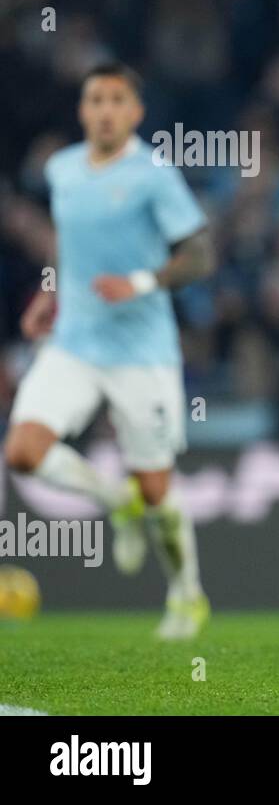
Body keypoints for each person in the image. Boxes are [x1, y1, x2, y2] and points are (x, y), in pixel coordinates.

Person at [4, 62, 215, 640]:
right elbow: (68, 248)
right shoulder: (63, 169)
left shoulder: (154, 174)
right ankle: (111, 498)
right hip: (74, 342)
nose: (104, 110)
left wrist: (140, 283)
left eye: (116, 100)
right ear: (82, 109)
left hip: (142, 351)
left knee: (157, 490)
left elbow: (200, 256)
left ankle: (186, 596)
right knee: (22, 451)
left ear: (135, 113)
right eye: (95, 99)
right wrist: (49, 294)